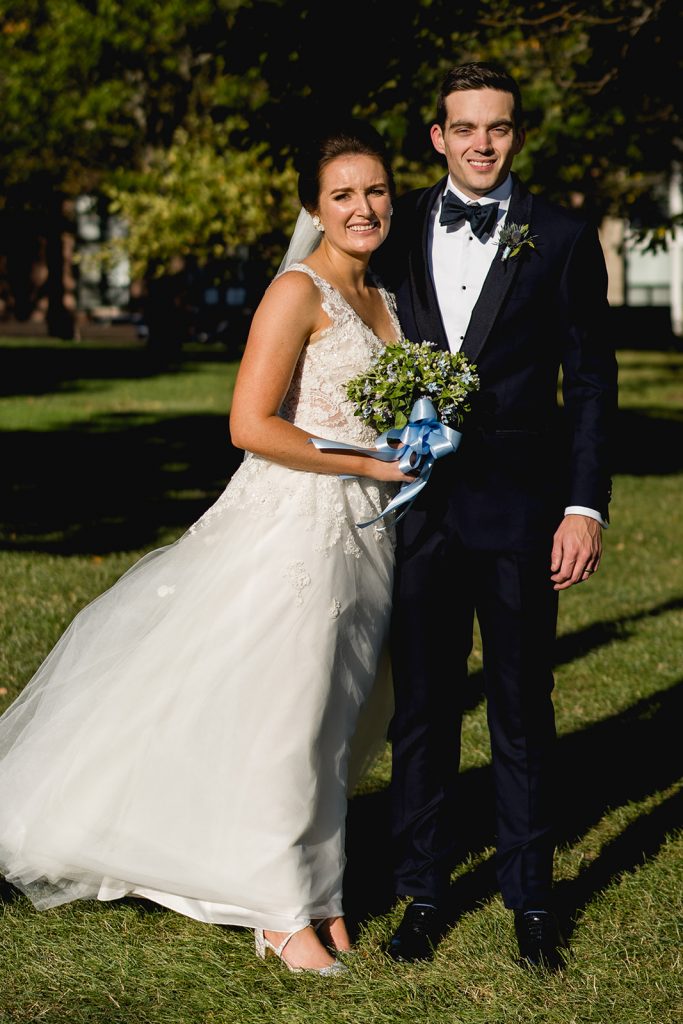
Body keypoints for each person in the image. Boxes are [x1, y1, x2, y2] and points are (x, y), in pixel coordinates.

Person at [0, 120, 412, 976]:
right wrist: (364, 458)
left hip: (366, 531)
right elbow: (249, 424)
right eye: (341, 194)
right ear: (313, 208)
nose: (361, 207)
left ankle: (322, 893)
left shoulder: (384, 295)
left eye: (374, 190)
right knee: (288, 718)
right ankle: (276, 912)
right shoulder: (296, 290)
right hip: (295, 525)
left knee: (333, 720)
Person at [372, 61, 618, 970]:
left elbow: (591, 382)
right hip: (418, 512)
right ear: (438, 137)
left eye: (499, 128)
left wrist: (583, 507)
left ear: (516, 134)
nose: (482, 144)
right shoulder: (394, 229)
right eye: (465, 128)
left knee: (522, 710)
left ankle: (531, 900)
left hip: (521, 513)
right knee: (422, 713)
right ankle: (421, 893)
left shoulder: (561, 237)